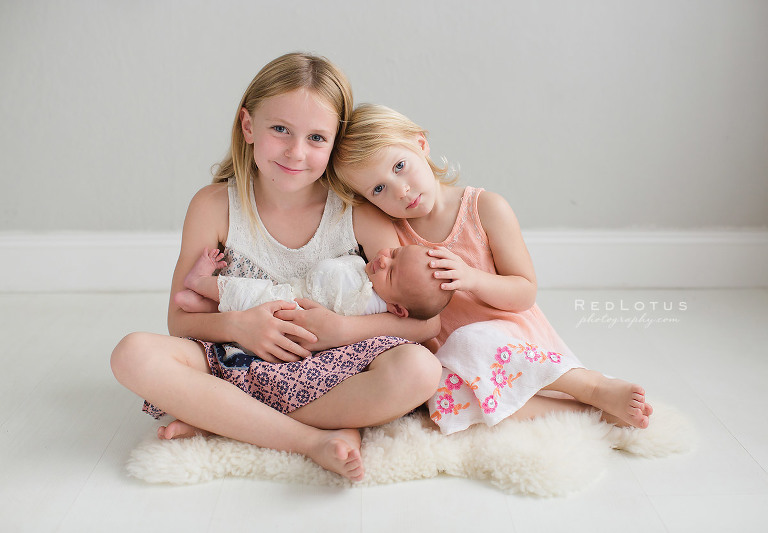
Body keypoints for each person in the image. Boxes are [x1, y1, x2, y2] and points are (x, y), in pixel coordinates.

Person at [110, 54, 444, 482]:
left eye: (317, 137)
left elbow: (424, 323)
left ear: (334, 144)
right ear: (249, 126)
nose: (296, 151)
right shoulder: (213, 206)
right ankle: (312, 438)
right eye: (280, 129)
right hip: (235, 360)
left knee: (420, 370)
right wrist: (240, 327)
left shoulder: (358, 211)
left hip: (335, 366)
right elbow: (179, 321)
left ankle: (226, 418)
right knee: (132, 354)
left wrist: (342, 332)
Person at [329, 103, 653, 435]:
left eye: (400, 166)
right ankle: (583, 413)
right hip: (453, 355)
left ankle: (593, 387)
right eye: (379, 189)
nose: (401, 190)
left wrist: (472, 278)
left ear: (421, 145)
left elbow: (525, 291)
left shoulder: (484, 208)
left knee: (471, 341)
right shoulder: (391, 234)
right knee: (441, 397)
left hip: (509, 335)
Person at [174, 244, 453, 319]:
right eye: (394, 253)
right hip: (286, 291)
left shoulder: (371, 304)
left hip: (287, 306)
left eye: (390, 272)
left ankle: (198, 282)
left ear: (398, 308)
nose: (383, 260)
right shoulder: (371, 276)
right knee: (241, 298)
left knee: (243, 292)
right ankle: (200, 301)